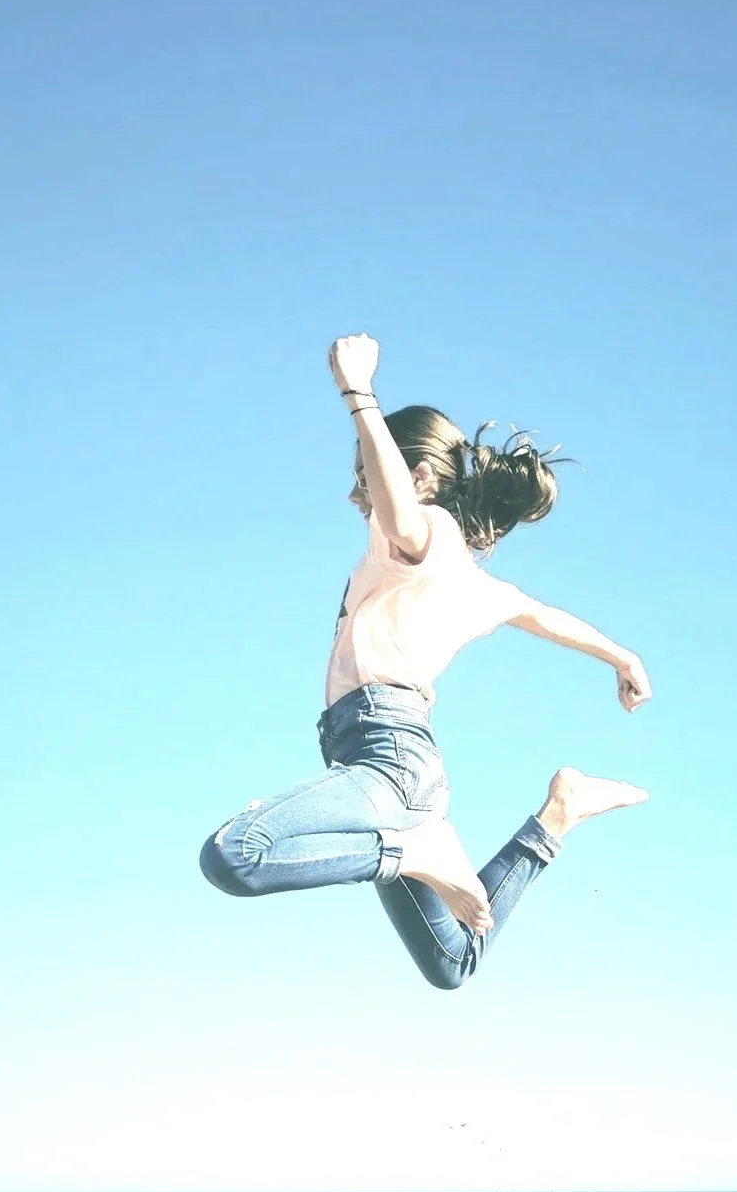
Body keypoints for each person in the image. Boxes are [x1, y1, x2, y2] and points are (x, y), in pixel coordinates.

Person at [199, 334, 651, 989]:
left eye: (364, 475)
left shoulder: (421, 532)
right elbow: (543, 615)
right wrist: (622, 655)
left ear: (415, 479)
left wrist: (359, 395)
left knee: (234, 855)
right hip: (397, 764)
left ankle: (415, 850)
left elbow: (404, 518)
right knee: (453, 961)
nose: (356, 494)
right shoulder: (474, 583)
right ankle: (557, 816)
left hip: (386, 751)